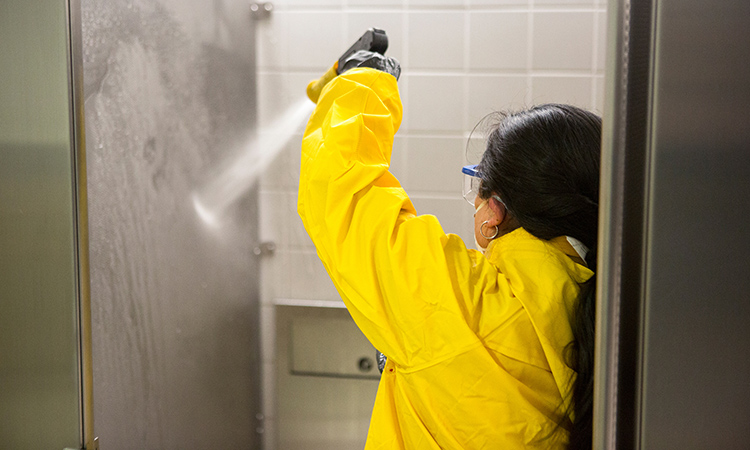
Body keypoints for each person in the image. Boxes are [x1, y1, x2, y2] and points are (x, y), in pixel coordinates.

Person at [298, 50, 600, 450]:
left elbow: (339, 188)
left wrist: (366, 82)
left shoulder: (466, 305)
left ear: (493, 213)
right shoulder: (602, 306)